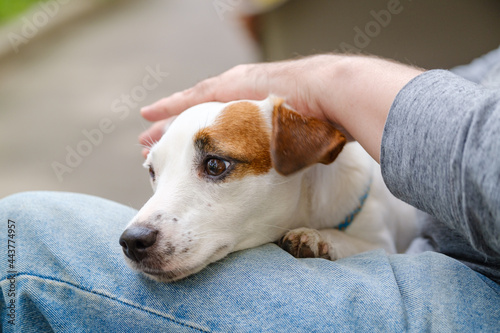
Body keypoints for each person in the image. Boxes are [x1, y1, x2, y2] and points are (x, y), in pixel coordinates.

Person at [2, 50, 499, 331]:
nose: (139, 227)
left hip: (475, 291)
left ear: (310, 157)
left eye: (215, 166)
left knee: (17, 233)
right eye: (156, 172)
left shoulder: (349, 174)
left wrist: (340, 82)